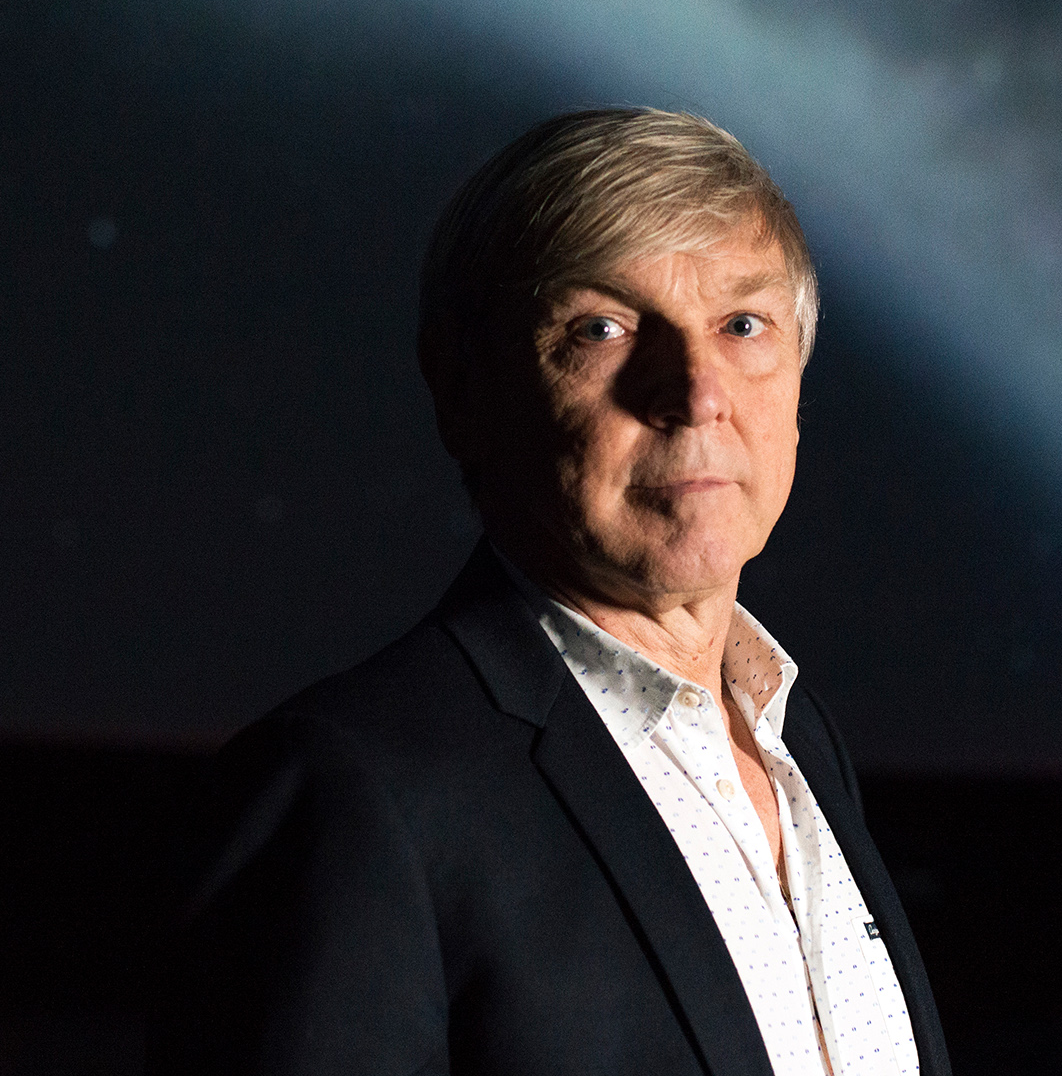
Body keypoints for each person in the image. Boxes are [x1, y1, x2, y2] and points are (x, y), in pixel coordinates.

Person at [149, 108, 948, 1076]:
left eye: (743, 325)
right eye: (602, 329)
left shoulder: (796, 740)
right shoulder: (352, 796)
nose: (696, 393)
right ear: (463, 395)